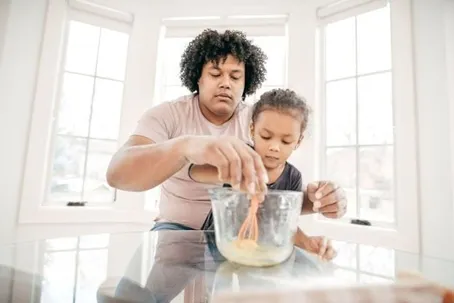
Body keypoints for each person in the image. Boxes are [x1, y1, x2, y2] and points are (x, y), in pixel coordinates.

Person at [106, 29, 346, 239]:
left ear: (246, 83)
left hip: (240, 233)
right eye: (215, 74)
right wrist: (187, 147)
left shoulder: (260, 123)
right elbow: (117, 173)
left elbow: (272, 190)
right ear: (198, 77)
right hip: (174, 230)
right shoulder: (167, 115)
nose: (225, 83)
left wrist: (318, 201)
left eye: (235, 76)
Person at [191, 88, 335, 260]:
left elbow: (286, 226)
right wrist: (231, 172)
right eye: (266, 137)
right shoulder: (240, 155)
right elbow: (194, 171)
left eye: (286, 141)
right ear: (252, 130)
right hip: (216, 245)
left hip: (259, 253)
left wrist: (308, 243)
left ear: (298, 141)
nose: (274, 146)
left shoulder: (293, 178)